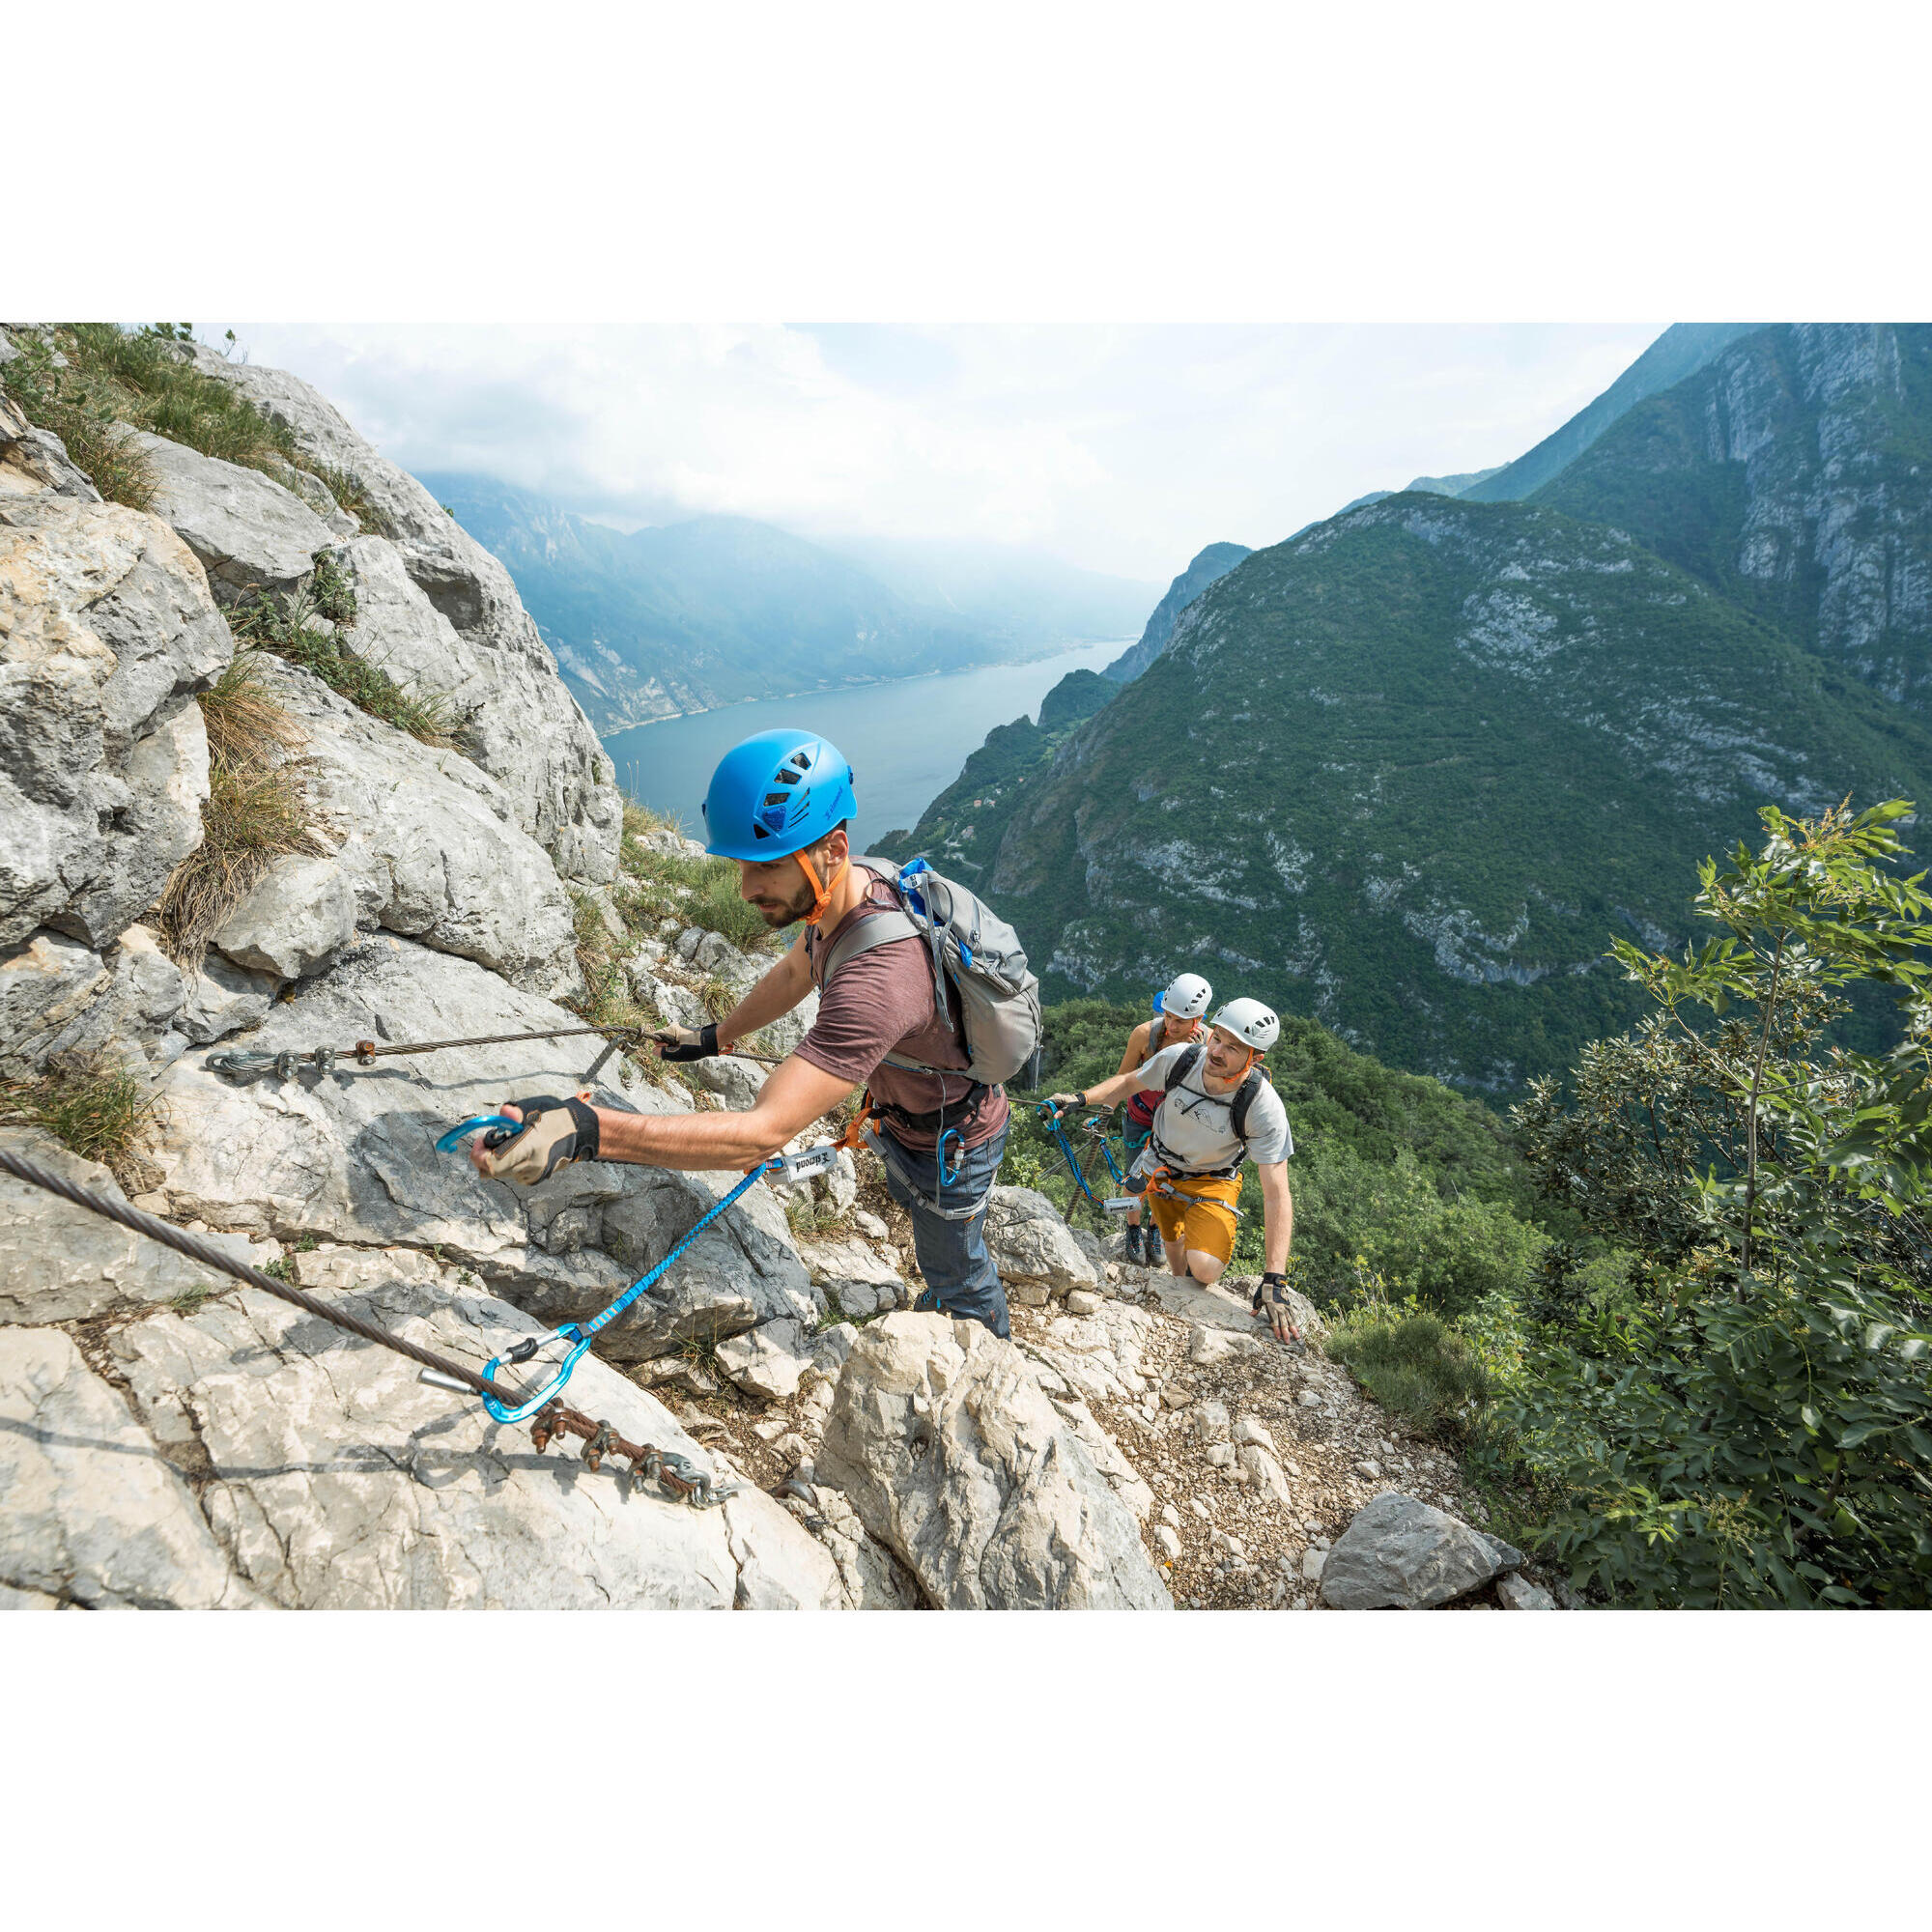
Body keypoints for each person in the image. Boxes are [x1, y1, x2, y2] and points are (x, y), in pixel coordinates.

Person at [465, 728, 1015, 1337]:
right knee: (926, 1224)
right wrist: (715, 1036)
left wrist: (588, 1131)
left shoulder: (881, 978)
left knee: (955, 1263)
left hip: (951, 1143)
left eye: (769, 867)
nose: (749, 889)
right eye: (742, 867)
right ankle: (945, 1291)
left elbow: (761, 1135)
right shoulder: (845, 896)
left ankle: (978, 1341)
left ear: (832, 849)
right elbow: (796, 970)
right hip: (905, 1119)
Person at [1047, 997, 1301, 1347]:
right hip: (1161, 1166)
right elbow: (1127, 1082)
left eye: (1233, 1048)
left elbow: (1277, 1194)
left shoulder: (1262, 1106)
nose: (1217, 1051)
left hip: (1213, 1180)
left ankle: (1182, 1262)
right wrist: (1078, 1098)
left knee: (1206, 1269)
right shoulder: (1181, 1059)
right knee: (1172, 1248)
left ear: (1255, 1058)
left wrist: (1274, 1278)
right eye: (1218, 1039)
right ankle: (1169, 1279)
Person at [1111, 972, 1212, 1264]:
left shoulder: (1208, 1043)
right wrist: (1100, 1106)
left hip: (1177, 1123)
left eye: (1180, 1020)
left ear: (1199, 1018)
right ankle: (1133, 1228)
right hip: (1140, 1115)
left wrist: (1198, 1053)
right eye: (1168, 1017)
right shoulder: (1145, 1035)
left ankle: (1154, 1228)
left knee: (1165, 1181)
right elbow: (1123, 1077)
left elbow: (1211, 1090)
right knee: (1135, 1176)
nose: (1171, 1025)